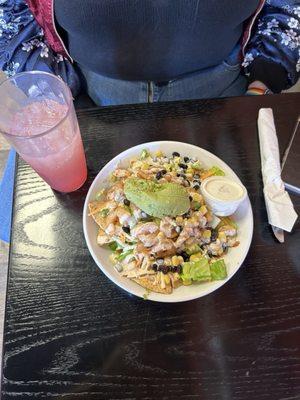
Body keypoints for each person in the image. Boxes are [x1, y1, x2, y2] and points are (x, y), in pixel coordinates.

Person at [0, 0, 299, 106]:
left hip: (230, 96)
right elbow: (9, 11)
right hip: (87, 98)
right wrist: (53, 91)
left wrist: (265, 81)